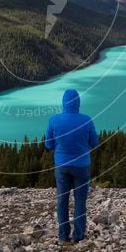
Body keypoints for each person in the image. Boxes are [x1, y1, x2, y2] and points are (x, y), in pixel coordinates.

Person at [44, 89, 99, 243]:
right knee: (80, 201)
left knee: (62, 200)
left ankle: (63, 236)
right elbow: (94, 143)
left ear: (63, 102)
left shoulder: (54, 120)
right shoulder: (86, 120)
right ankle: (78, 236)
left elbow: (48, 144)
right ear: (78, 102)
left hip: (61, 166)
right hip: (82, 167)